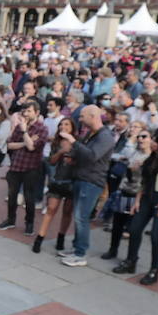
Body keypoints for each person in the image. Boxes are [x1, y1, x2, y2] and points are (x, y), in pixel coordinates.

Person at [104, 131, 158, 285]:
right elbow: (144, 181)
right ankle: (131, 261)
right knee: (134, 229)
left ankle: (154, 269)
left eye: (155, 140)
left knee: (156, 236)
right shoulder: (152, 158)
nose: (152, 142)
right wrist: (137, 200)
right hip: (147, 197)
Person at [58, 105, 117, 267]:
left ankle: (80, 253)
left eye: (83, 116)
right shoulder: (92, 134)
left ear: (93, 116)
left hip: (91, 182)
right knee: (79, 216)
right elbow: (83, 153)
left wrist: (73, 141)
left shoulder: (105, 136)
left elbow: (92, 156)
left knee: (81, 217)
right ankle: (77, 247)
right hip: (81, 178)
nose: (80, 119)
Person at [0, 100, 48, 235]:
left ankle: (29, 223)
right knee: (12, 195)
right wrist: (25, 142)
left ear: (37, 113)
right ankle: (10, 219)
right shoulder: (19, 126)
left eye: (29, 111)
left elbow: (32, 147)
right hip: (16, 165)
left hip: (31, 167)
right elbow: (9, 145)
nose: (25, 114)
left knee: (29, 197)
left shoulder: (42, 128)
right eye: (24, 111)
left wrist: (25, 131)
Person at [34, 116, 76, 255]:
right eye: (61, 125)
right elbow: (51, 161)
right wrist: (61, 151)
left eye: (66, 125)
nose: (63, 127)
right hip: (57, 180)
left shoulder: (78, 143)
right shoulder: (56, 143)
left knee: (67, 212)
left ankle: (61, 238)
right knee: (51, 208)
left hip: (71, 182)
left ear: (72, 128)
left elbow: (82, 162)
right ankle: (39, 238)